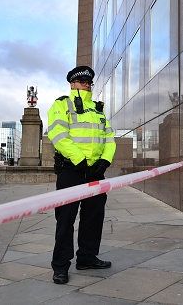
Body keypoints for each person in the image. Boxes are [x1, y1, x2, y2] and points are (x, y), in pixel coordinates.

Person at [47, 65, 116, 285]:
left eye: (89, 82)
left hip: (95, 172)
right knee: (65, 219)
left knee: (93, 217)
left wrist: (105, 161)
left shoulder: (98, 110)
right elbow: (58, 134)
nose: (86, 85)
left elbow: (109, 137)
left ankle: (86, 257)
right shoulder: (61, 104)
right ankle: (60, 266)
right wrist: (81, 161)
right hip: (72, 171)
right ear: (72, 84)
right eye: (82, 81)